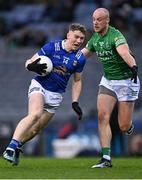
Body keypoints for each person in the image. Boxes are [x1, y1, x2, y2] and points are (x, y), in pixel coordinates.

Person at [3, 23, 87, 166]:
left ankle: (18, 145)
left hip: (56, 96)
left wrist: (75, 101)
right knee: (34, 114)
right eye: (76, 37)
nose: (79, 41)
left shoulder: (80, 58)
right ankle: (10, 148)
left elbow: (77, 81)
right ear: (68, 35)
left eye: (82, 39)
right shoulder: (51, 47)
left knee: (36, 129)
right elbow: (29, 62)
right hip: (40, 86)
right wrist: (31, 66)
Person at [81, 8, 140, 168]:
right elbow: (82, 56)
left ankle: (129, 126)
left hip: (126, 82)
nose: (95, 22)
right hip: (108, 81)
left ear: (107, 21)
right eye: (94, 19)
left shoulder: (116, 36)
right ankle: (106, 158)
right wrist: (66, 61)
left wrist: (133, 66)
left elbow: (124, 52)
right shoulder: (94, 39)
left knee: (123, 126)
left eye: (99, 19)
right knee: (103, 116)